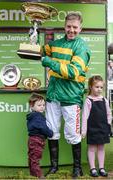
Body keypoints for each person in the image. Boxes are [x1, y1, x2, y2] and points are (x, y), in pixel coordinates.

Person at [41, 11, 91, 178]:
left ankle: (77, 168)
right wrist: (32, 38)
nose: (71, 30)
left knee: (73, 134)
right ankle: (54, 167)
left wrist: (48, 62)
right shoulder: (55, 44)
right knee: (52, 131)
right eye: (69, 26)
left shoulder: (81, 47)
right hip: (53, 96)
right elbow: (40, 52)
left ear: (80, 28)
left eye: (75, 27)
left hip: (71, 98)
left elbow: (72, 72)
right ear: (64, 27)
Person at [81, 75, 112, 177]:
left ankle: (101, 168)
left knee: (101, 148)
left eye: (101, 87)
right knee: (92, 148)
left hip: (103, 128)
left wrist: (108, 125)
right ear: (90, 87)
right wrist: (84, 130)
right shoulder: (88, 101)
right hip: (92, 128)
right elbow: (85, 117)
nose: (99, 89)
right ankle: (93, 168)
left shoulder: (104, 100)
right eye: (96, 87)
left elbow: (108, 113)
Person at [26, 93, 53, 178]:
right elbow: (43, 128)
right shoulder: (38, 116)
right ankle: (39, 176)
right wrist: (50, 133)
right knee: (35, 160)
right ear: (31, 105)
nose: (42, 107)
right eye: (39, 105)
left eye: (43, 105)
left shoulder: (32, 116)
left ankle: (33, 175)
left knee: (32, 158)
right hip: (37, 140)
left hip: (32, 139)